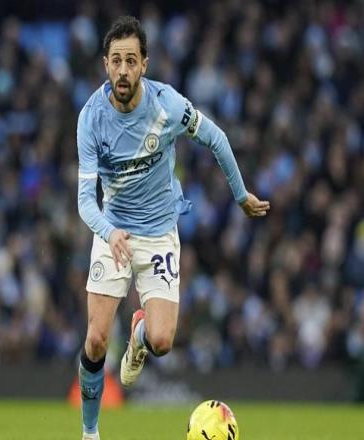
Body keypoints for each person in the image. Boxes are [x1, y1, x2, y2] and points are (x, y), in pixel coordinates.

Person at [77, 15, 270, 440]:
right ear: (105, 65)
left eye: (131, 61)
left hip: (160, 233)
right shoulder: (90, 118)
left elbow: (216, 138)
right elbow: (84, 200)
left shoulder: (167, 105)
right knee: (95, 340)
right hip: (113, 233)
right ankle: (90, 434)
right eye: (115, 61)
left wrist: (240, 195)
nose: (123, 70)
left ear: (144, 64)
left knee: (162, 341)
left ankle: (139, 335)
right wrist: (109, 232)